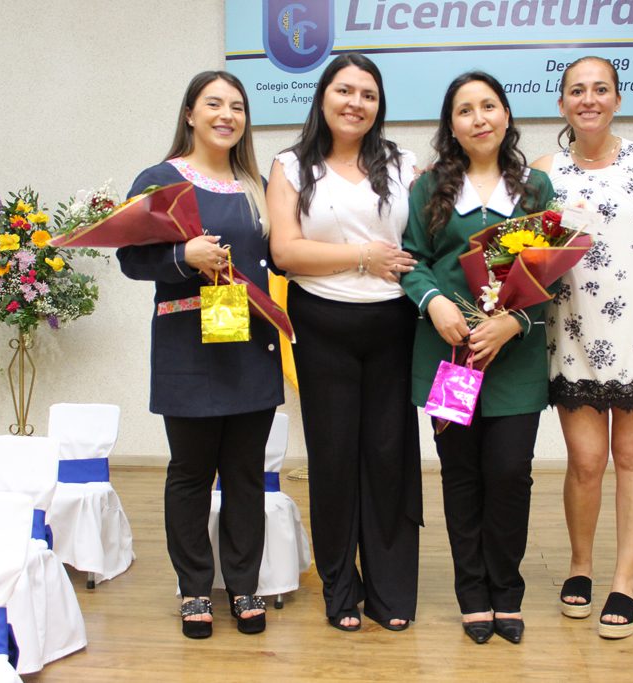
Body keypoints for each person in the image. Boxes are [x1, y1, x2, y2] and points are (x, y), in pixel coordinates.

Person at [532, 56, 633, 640]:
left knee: (631, 457)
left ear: (618, 99)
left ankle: (625, 581)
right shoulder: (544, 173)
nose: (589, 99)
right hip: (572, 330)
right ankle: (580, 566)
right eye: (577, 90)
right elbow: (526, 253)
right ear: (561, 104)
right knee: (584, 461)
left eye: (601, 89)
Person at [117, 71, 281, 639]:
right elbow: (130, 259)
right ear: (190, 113)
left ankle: (244, 585)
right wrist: (183, 257)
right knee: (190, 473)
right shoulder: (160, 180)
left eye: (237, 106)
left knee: (245, 474)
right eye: (214, 103)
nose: (226, 115)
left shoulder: (257, 186)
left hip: (249, 345)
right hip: (188, 347)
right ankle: (193, 589)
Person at [266, 53, 422, 632]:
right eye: (345, 90)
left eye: (368, 94)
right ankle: (340, 588)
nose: (356, 103)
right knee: (332, 459)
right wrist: (363, 256)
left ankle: (390, 590)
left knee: (389, 457)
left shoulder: (403, 163)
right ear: (323, 96)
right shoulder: (290, 165)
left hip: (394, 325)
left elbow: (424, 240)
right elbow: (286, 251)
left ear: (379, 105)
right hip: (322, 324)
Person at [401, 71, 556, 645]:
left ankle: (506, 591)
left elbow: (556, 269)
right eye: (465, 110)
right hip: (449, 358)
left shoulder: (536, 189)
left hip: (515, 361)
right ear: (452, 126)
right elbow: (412, 260)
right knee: (461, 474)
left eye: (488, 106)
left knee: (510, 473)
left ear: (506, 115)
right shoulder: (428, 189)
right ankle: (473, 595)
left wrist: (514, 322)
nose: (479, 118)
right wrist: (434, 301)